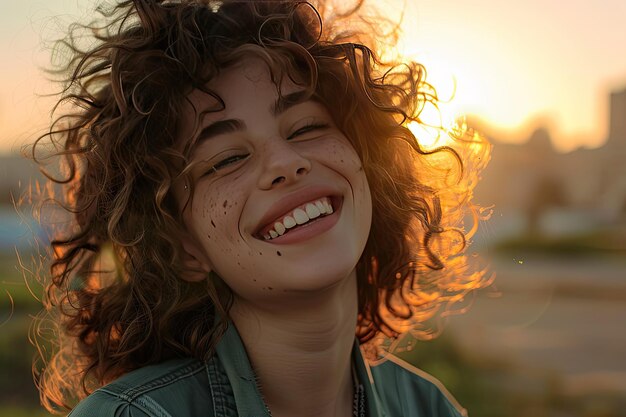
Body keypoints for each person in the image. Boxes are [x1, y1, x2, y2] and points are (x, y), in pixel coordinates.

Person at [30, 0, 490, 416]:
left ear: (369, 164)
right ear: (185, 247)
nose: (286, 164)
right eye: (228, 158)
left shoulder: (430, 407)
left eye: (307, 127)